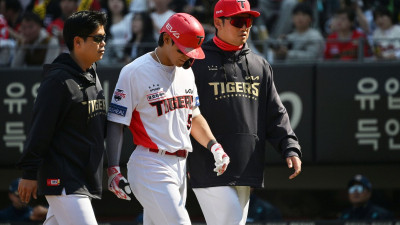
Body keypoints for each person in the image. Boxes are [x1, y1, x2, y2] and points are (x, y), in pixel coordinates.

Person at [105, 12, 230, 225]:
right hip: (150, 163)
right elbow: (117, 122)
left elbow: (194, 115)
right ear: (166, 39)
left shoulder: (186, 72)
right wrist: (113, 169)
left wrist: (215, 146)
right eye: (184, 49)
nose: (188, 56)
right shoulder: (134, 71)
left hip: (181, 165)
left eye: (192, 52)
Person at [187, 0, 302, 224]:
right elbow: (185, 113)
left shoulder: (260, 65)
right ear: (217, 22)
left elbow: (275, 114)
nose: (245, 27)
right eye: (238, 21)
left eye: (248, 21)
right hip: (209, 164)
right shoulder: (195, 61)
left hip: (247, 164)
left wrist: (290, 147)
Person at [16, 10, 107, 225]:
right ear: (78, 41)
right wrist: (29, 173)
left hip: (82, 177)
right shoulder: (57, 80)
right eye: (98, 38)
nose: (104, 43)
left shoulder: (92, 73)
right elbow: (40, 129)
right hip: (64, 178)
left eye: (105, 37)